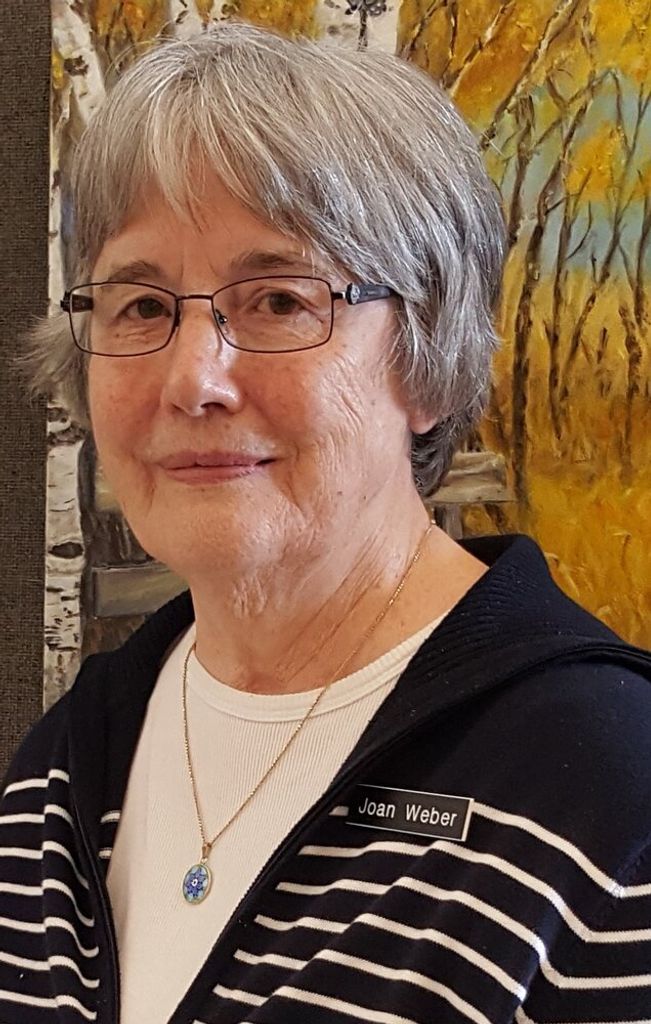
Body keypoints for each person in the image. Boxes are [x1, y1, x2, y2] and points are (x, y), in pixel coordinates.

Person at [2, 20, 651, 1024]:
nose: (192, 378)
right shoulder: (63, 766)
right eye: (141, 306)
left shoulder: (611, 794)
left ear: (428, 361)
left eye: (277, 299)